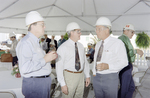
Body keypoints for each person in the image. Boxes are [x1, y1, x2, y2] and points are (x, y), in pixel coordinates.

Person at [16, 11, 57, 98]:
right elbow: (25, 68)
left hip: (40, 83)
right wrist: (45, 59)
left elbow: (37, 60)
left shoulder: (35, 42)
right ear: (32, 25)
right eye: (42, 24)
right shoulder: (26, 43)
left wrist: (48, 57)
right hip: (35, 84)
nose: (44, 27)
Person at [92, 17, 128, 98]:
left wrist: (108, 66)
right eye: (96, 29)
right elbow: (95, 60)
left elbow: (124, 62)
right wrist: (94, 74)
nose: (96, 31)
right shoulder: (98, 44)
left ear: (107, 29)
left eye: (99, 29)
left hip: (110, 78)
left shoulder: (118, 43)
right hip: (96, 78)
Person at [56, 22, 90, 98]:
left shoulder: (81, 46)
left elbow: (85, 63)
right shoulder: (62, 48)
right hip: (69, 77)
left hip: (81, 76)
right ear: (71, 32)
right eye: (78, 31)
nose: (80, 33)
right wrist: (62, 84)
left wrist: (87, 75)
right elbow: (59, 67)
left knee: (79, 96)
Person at [118, 24, 143, 98]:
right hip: (125, 66)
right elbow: (124, 52)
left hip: (127, 66)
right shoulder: (122, 38)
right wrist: (136, 51)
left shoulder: (125, 39)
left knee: (131, 87)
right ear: (126, 31)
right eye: (132, 32)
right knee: (124, 89)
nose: (133, 34)